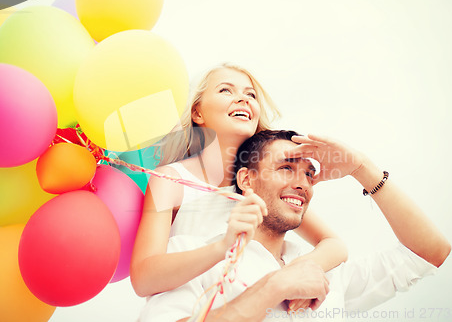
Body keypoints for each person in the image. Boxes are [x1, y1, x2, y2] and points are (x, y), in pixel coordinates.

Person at [138, 130, 451, 322]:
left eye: (308, 174)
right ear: (247, 180)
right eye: (286, 167)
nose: (302, 184)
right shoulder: (193, 255)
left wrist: (362, 168)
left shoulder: (324, 273)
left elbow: (429, 253)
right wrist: (276, 286)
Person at [130, 64, 348, 311]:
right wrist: (222, 247)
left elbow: (334, 245)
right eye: (226, 90)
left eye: (251, 95)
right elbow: (143, 278)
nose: (243, 99)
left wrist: (296, 271)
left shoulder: (263, 184)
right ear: (197, 113)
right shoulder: (170, 180)